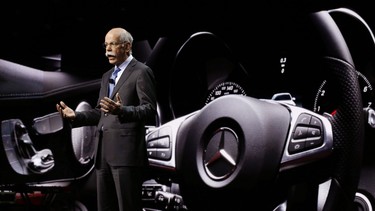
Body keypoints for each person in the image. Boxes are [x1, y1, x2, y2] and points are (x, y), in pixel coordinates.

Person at [56, 27, 157, 211]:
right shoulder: (107, 76)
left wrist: (122, 110)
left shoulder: (141, 72)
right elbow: (100, 113)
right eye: (106, 45)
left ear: (127, 47)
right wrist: (75, 116)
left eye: (112, 44)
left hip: (126, 156)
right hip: (103, 155)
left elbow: (149, 110)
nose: (107, 50)